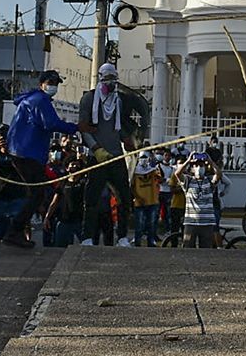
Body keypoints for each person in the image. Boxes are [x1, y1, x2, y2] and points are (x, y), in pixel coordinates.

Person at [4, 70, 79, 249]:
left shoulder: (31, 99)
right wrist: (76, 127)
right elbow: (51, 123)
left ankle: (17, 231)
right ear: (42, 83)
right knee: (37, 194)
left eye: (57, 83)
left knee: (34, 193)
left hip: (22, 150)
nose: (55, 86)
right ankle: (14, 231)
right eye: (52, 82)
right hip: (27, 152)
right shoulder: (40, 101)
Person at [77, 63, 148, 248]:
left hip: (116, 156)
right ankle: (87, 237)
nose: (111, 83)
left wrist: (129, 141)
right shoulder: (89, 99)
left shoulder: (118, 100)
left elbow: (120, 128)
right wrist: (95, 148)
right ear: (100, 78)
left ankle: (123, 237)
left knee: (124, 198)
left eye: (113, 79)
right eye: (107, 79)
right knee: (91, 199)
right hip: (98, 156)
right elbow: (84, 128)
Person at [0, 124, 26, 246]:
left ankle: (14, 240)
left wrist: (9, 152)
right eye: (1, 137)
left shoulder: (17, 150)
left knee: (17, 222)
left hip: (16, 194)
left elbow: (23, 170)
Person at [170, 151, 220, 248]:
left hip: (207, 222)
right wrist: (188, 160)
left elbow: (218, 174)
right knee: (188, 248)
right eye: (196, 166)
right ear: (192, 169)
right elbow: (177, 173)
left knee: (206, 250)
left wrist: (210, 161)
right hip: (191, 222)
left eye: (201, 166)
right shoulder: (188, 181)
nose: (199, 168)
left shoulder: (209, 181)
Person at [45, 158, 86, 247]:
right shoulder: (62, 182)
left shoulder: (85, 183)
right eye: (72, 164)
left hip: (81, 221)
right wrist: (47, 217)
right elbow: (54, 202)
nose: (74, 166)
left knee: (87, 247)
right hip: (64, 220)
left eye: (77, 165)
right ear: (67, 168)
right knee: (59, 249)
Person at [130, 150, 161, 247]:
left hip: (152, 201)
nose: (143, 160)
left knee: (151, 225)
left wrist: (155, 164)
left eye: (145, 158)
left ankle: (151, 242)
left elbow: (161, 178)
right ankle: (137, 243)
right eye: (141, 158)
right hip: (139, 203)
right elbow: (131, 187)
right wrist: (137, 197)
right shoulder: (134, 172)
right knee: (139, 225)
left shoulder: (152, 170)